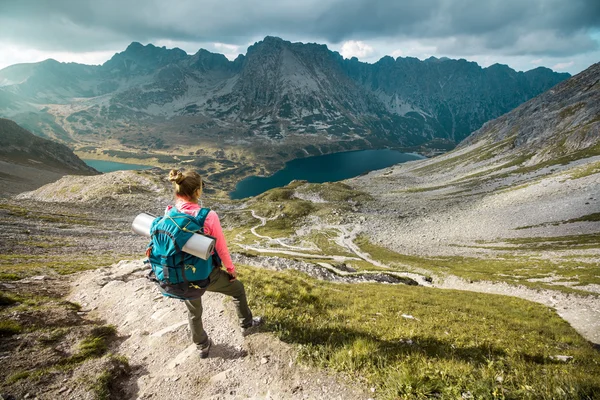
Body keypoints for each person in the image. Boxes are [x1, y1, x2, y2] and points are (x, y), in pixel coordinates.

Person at [167, 169, 262, 358]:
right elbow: (221, 248)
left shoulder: (170, 211)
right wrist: (231, 270)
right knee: (238, 289)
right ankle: (246, 324)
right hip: (205, 274)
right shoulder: (208, 216)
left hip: (179, 273)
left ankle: (201, 346)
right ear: (197, 192)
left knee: (194, 310)